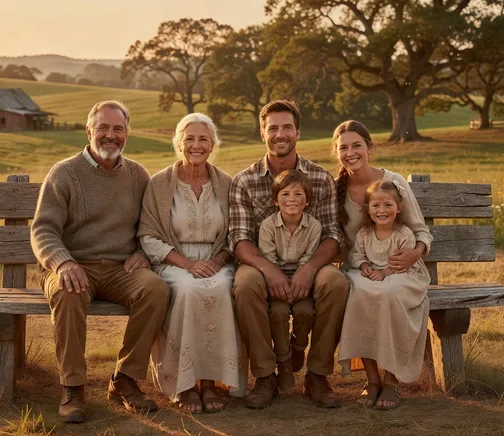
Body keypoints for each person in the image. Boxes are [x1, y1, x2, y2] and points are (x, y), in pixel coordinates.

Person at [30, 101, 170, 424]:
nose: (110, 135)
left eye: (118, 129)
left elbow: (150, 225)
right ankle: (72, 388)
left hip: (122, 269)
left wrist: (142, 252)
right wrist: (63, 263)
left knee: (156, 289)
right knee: (68, 291)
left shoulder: (137, 175)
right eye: (103, 128)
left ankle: (125, 380)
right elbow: (43, 229)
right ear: (89, 131)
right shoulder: (64, 173)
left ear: (127, 133)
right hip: (72, 265)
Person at [229, 100, 349, 409]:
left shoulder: (320, 178)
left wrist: (310, 268)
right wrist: (269, 270)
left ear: (297, 132)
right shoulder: (244, 180)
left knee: (335, 283)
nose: (280, 134)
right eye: (273, 128)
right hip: (261, 262)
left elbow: (333, 235)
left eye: (287, 127)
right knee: (245, 284)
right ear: (262, 133)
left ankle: (318, 375)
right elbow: (239, 239)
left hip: (310, 259)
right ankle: (265, 376)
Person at [138, 113, 244, 413]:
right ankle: (184, 383)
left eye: (203, 139)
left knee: (220, 289)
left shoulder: (226, 183)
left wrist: (219, 260)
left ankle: (210, 382)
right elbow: (148, 235)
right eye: (190, 139)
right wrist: (185, 263)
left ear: (212, 145)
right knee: (187, 289)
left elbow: (238, 232)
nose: (196, 145)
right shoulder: (160, 184)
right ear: (178, 144)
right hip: (173, 261)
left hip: (217, 260)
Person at [332, 120, 433, 410]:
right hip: (360, 268)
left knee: (389, 294)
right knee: (358, 294)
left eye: (357, 145)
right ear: (337, 153)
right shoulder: (336, 188)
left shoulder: (393, 183)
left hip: (402, 268)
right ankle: (372, 379)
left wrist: (416, 252)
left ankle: (392, 380)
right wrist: (362, 267)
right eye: (343, 148)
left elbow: (420, 230)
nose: (350, 153)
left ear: (368, 147)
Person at [257, 170, 320, 392]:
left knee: (306, 312)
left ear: (307, 200)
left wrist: (298, 284)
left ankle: (299, 346)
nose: (291, 199)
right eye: (285, 194)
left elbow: (308, 258)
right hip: (275, 284)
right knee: (277, 313)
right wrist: (281, 284)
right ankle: (283, 361)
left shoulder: (314, 227)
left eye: (298, 194)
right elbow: (268, 259)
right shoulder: (268, 226)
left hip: (303, 284)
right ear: (275, 200)